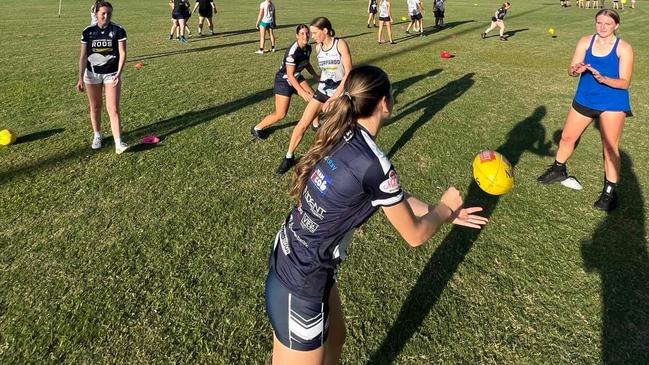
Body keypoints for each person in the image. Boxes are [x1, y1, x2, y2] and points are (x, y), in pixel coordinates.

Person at [265, 65, 488, 364]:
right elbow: (415, 235)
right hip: (300, 282)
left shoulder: (342, 131)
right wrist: (445, 206)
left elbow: (391, 197)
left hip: (297, 259)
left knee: (336, 338)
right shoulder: (374, 163)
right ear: (385, 103)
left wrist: (443, 214)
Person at [538, 9, 633, 212]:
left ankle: (609, 192)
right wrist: (576, 70)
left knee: (609, 148)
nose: (602, 27)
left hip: (612, 102)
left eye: (608, 24)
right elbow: (571, 69)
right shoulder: (585, 41)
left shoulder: (623, 48)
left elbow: (625, 82)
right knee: (566, 137)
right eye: (599, 22)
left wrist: (604, 79)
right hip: (585, 97)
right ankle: (558, 170)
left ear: (616, 25)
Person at [276, 17, 352, 175]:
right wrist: (318, 79)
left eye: (315, 33)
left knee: (337, 130)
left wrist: (336, 97)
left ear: (325, 31)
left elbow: (349, 72)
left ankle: (337, 160)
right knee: (303, 123)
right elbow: (325, 70)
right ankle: (289, 156)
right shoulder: (317, 48)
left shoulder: (340, 44)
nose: (312, 36)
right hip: (322, 91)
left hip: (340, 94)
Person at [76, 1, 129, 154]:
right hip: (91, 74)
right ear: (96, 14)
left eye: (109, 13)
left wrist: (119, 73)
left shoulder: (118, 30)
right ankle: (97, 135)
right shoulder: (88, 31)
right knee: (95, 107)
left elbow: (123, 53)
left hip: (111, 74)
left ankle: (118, 143)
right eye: (103, 13)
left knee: (113, 108)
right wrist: (80, 78)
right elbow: (83, 56)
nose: (106, 16)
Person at [251, 25, 319, 140]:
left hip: (296, 76)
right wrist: (302, 92)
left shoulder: (308, 48)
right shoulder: (293, 52)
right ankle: (257, 128)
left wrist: (314, 75)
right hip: (284, 80)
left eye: (307, 33)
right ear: (297, 35)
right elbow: (290, 76)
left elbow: (306, 63)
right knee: (281, 114)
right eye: (302, 33)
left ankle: (316, 125)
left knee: (314, 99)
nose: (305, 36)